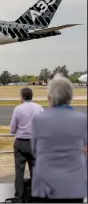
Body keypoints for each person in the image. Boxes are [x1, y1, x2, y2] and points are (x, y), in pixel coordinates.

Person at [31, 74, 87, 203]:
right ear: (70, 97)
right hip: (73, 185)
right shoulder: (82, 119)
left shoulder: (39, 119)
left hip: (45, 185)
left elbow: (34, 150)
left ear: (49, 98)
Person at [10, 87, 44, 203]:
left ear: (22, 97)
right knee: (35, 171)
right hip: (35, 142)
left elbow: (12, 129)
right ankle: (35, 198)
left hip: (21, 142)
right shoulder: (39, 108)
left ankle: (18, 198)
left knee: (19, 172)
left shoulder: (18, 109)